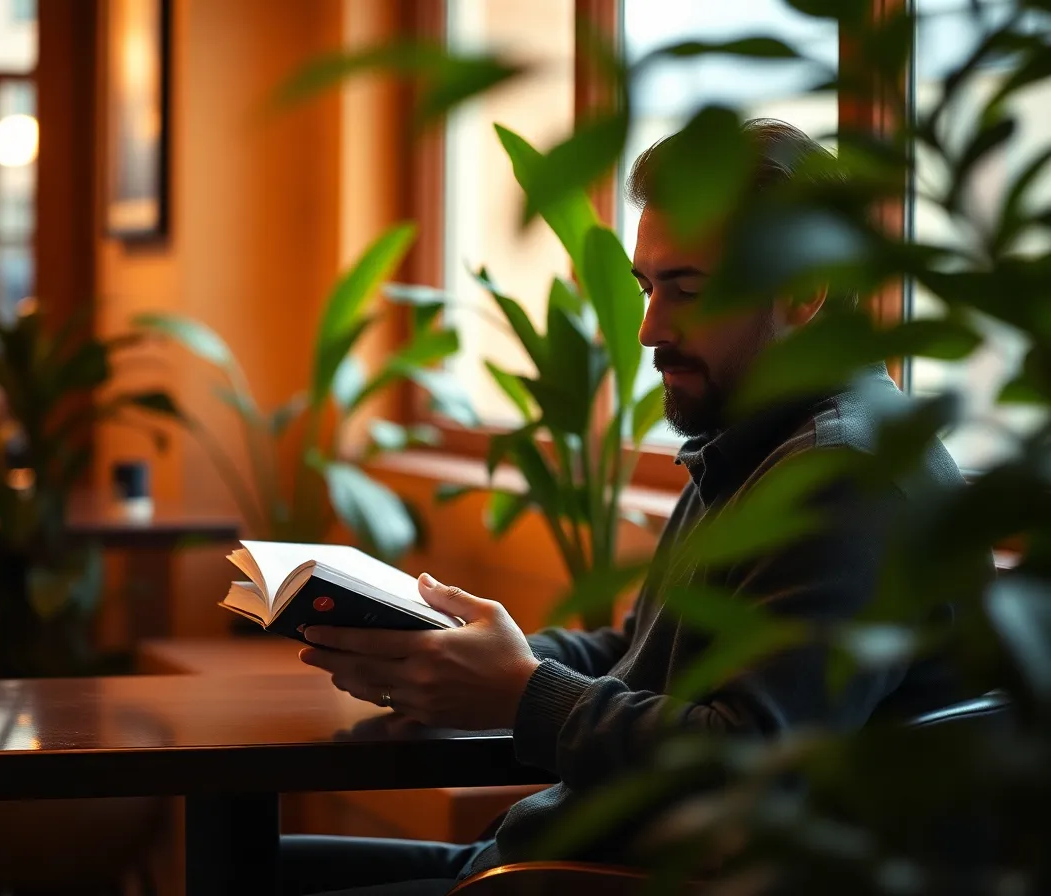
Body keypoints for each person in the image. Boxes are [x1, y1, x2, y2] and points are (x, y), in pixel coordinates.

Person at [276, 119, 970, 895]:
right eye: (646, 287)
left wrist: (517, 691)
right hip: (532, 862)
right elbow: (639, 655)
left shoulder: (840, 478)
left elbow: (751, 761)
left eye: (687, 291)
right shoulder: (762, 445)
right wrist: (448, 656)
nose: (649, 329)